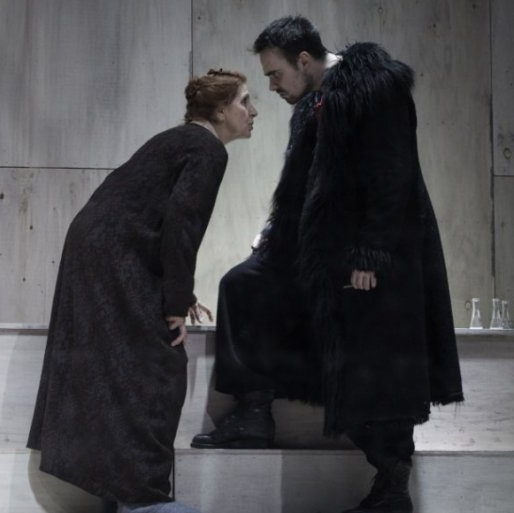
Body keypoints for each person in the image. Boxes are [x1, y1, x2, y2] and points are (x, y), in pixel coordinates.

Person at [190, 16, 463, 513]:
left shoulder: (374, 86)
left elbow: (393, 174)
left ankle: (392, 483)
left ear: (304, 60)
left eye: (275, 74)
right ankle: (253, 412)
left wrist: (370, 253)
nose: (272, 87)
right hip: (315, 251)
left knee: (374, 363)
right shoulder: (309, 104)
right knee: (243, 284)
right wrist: (273, 233)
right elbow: (301, 187)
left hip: (375, 254)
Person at [28, 69, 257, 513]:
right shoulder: (207, 148)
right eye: (245, 101)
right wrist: (175, 303)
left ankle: (122, 491)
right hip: (116, 254)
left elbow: (158, 216)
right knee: (158, 364)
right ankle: (142, 497)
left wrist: (180, 293)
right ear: (219, 110)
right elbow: (181, 226)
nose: (253, 111)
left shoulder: (183, 140)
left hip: (103, 248)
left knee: (123, 365)